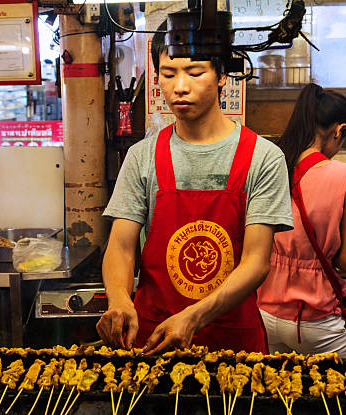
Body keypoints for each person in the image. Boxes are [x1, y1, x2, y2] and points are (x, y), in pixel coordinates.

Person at [97, 21, 293, 354]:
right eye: (168, 73)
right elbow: (121, 245)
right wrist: (118, 299)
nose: (179, 87)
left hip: (233, 347)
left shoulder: (263, 157)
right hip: (152, 343)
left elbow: (257, 262)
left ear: (221, 76)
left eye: (195, 73)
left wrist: (193, 316)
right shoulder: (142, 157)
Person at [256, 83, 346, 358]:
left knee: (278, 393)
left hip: (264, 314)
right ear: (339, 130)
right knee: (342, 394)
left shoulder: (269, 163)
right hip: (316, 322)